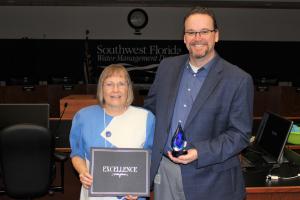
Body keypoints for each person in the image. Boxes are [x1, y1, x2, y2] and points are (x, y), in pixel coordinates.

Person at [144, 7, 254, 200]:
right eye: (191, 32)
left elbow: (240, 135)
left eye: (204, 31)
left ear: (216, 35)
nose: (197, 38)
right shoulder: (167, 67)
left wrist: (199, 152)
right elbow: (150, 113)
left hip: (211, 179)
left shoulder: (238, 79)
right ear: (184, 38)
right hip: (165, 171)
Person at [70, 64, 155, 200]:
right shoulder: (83, 117)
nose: (115, 90)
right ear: (101, 88)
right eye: (109, 84)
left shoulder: (146, 118)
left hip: (131, 196)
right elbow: (76, 153)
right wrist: (83, 171)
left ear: (128, 88)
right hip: (94, 194)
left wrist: (140, 186)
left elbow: (151, 159)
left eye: (121, 84)